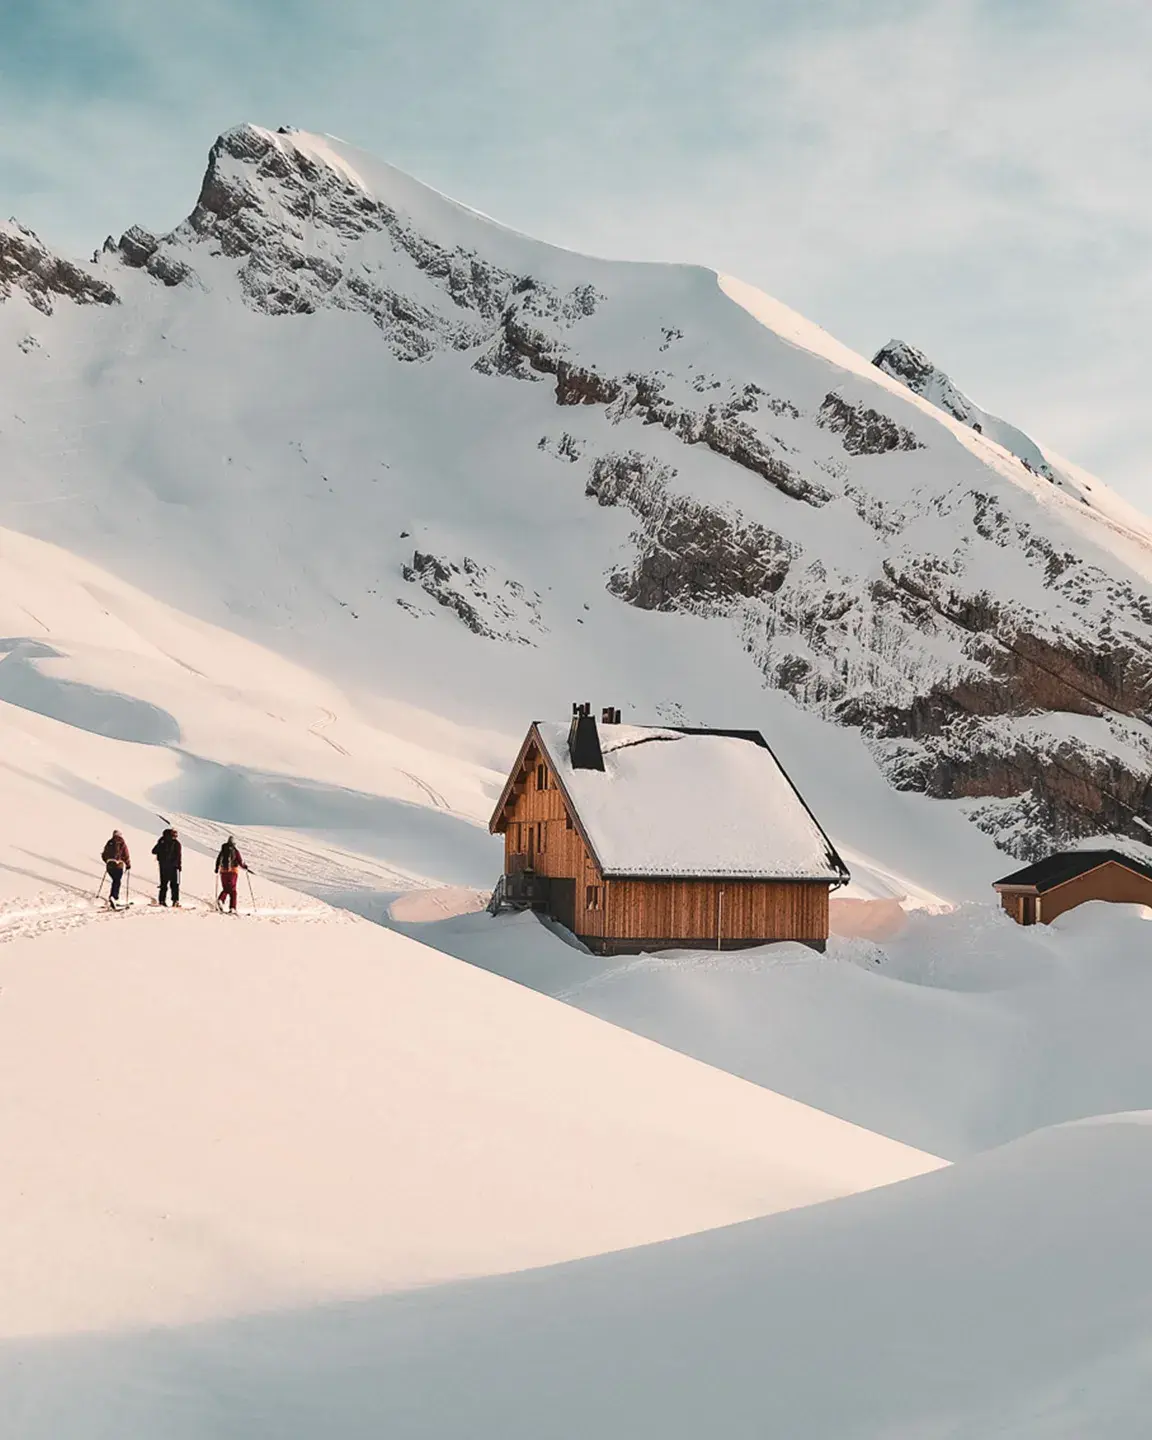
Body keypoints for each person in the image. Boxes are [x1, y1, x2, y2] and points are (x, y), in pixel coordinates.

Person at [214, 835, 247, 913]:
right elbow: (239, 861)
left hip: (223, 872)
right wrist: (244, 866)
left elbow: (218, 859)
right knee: (233, 890)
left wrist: (216, 868)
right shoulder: (235, 851)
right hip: (233, 872)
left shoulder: (223, 850)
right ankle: (232, 907)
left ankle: (221, 900)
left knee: (226, 888)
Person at [152, 827, 183, 907]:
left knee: (163, 884)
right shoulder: (176, 843)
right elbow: (178, 856)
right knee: (175, 885)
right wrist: (179, 866)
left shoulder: (162, 841)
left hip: (163, 866)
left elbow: (154, 851)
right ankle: (175, 901)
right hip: (174, 867)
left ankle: (162, 901)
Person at [101, 830, 131, 907]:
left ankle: (112, 897)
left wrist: (107, 861)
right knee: (117, 881)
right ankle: (114, 897)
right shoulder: (122, 842)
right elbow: (126, 854)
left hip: (110, 865)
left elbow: (104, 854)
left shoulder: (109, 842)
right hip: (118, 865)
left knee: (115, 880)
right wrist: (128, 864)